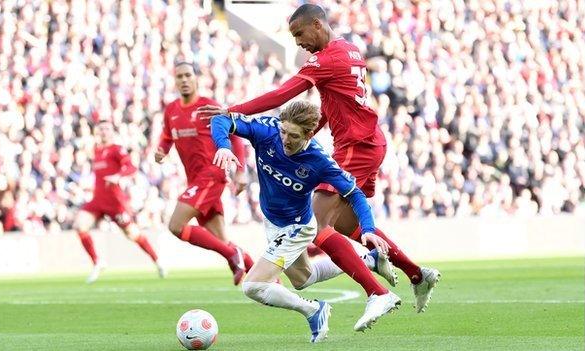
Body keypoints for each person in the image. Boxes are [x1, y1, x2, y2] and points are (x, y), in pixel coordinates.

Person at [198, 4, 440, 312]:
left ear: (317, 25)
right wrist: (310, 134)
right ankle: (417, 275)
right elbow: (332, 105)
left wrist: (233, 110)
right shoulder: (350, 50)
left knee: (317, 225)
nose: (299, 43)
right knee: (349, 226)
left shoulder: (325, 59)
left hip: (355, 145)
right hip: (368, 141)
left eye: (300, 34)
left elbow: (282, 95)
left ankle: (377, 293)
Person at [211, 101, 401, 337]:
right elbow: (221, 119)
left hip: (297, 227)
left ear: (310, 134)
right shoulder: (267, 130)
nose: (285, 140)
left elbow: (355, 194)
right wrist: (223, 146)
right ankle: (369, 260)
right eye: (283, 131)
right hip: (272, 220)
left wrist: (369, 228)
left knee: (253, 286)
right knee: (304, 278)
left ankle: (312, 310)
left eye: (293, 136)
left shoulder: (319, 161)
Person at [155, 62, 253, 285]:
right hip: (195, 180)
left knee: (176, 226)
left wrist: (239, 171)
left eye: (188, 75)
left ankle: (232, 257)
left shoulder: (208, 106)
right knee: (222, 240)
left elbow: (234, 135)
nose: (184, 80)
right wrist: (162, 150)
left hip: (212, 174)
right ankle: (265, 280)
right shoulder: (171, 110)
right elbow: (167, 137)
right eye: (179, 76)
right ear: (175, 80)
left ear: (196, 78)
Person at [74, 120, 165, 284]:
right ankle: (97, 262)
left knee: (133, 234)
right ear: (97, 132)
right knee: (80, 225)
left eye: (107, 129)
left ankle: (157, 260)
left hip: (115, 202)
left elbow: (131, 167)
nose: (103, 132)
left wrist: (118, 176)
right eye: (100, 129)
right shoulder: (96, 150)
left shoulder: (117, 149)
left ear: (112, 132)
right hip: (98, 199)